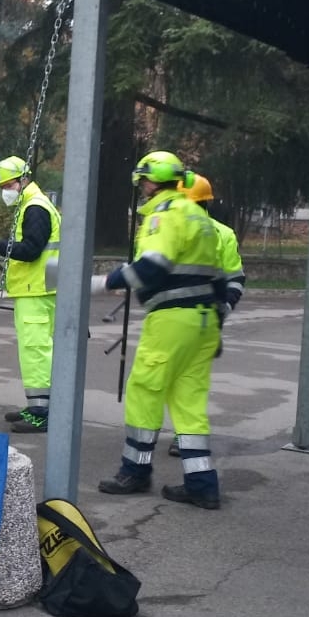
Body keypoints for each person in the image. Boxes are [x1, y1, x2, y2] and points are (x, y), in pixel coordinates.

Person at [97, 150, 227, 510]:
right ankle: (202, 485)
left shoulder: (163, 215)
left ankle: (135, 472)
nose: (141, 186)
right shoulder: (199, 217)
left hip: (172, 319)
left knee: (144, 390)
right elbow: (217, 277)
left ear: (150, 181)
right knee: (189, 404)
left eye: (142, 180)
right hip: (203, 321)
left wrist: (102, 282)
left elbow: (152, 266)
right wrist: (216, 326)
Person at [0, 157, 60, 434]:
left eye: (7, 185)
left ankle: (41, 412)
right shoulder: (34, 204)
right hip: (40, 288)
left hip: (37, 290)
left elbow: (30, 249)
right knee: (38, 350)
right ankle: (40, 404)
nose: (4, 191)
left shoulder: (35, 208)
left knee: (35, 351)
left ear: (23, 180)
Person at [166, 172, 245, 457]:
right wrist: (221, 313)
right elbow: (236, 280)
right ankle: (185, 439)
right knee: (192, 384)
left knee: (166, 383)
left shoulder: (175, 229)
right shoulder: (223, 233)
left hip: (175, 319)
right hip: (204, 319)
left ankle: (158, 441)